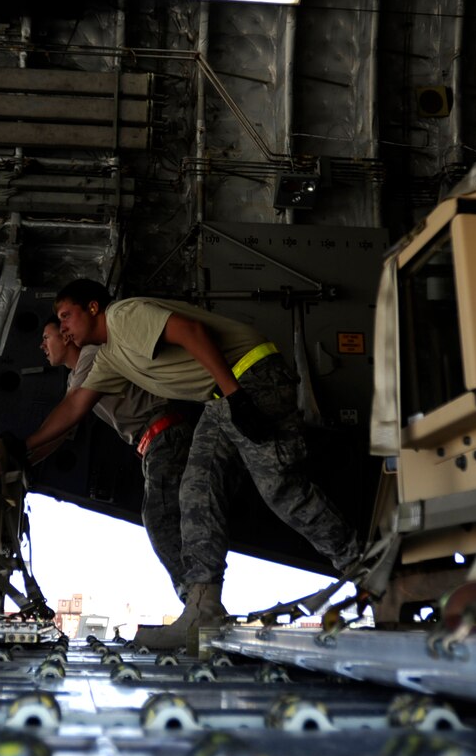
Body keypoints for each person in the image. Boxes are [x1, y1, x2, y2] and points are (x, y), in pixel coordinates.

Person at [25, 279, 364, 650]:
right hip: (222, 398)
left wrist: (236, 396)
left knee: (282, 490)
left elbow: (190, 331)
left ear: (93, 308)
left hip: (251, 375)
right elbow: (74, 407)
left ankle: (368, 571)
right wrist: (23, 448)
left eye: (66, 317)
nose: (63, 328)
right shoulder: (108, 356)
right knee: (198, 491)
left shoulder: (123, 315)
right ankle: (203, 609)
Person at [34, 316, 195, 601]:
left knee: (160, 518)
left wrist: (23, 446)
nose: (41, 345)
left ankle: (196, 599)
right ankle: (197, 597)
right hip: (156, 442)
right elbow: (62, 431)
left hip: (165, 434)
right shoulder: (75, 379)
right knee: (175, 519)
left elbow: (70, 413)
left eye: (47, 337)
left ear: (66, 336)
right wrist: (24, 459)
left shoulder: (93, 356)